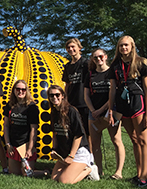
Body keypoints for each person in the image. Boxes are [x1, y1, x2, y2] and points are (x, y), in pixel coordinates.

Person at [108, 36, 147, 187]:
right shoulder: (115, 65)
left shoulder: (140, 62)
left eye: (126, 45)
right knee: (134, 140)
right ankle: (138, 174)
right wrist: (111, 109)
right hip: (122, 104)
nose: (123, 48)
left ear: (132, 46)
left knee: (143, 140)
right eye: (121, 46)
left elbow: (146, 87)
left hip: (138, 102)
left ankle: (144, 176)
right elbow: (112, 89)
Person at [84, 48, 125, 178]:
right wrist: (93, 111)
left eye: (100, 56)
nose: (98, 59)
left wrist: (101, 110)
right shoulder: (90, 75)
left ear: (106, 57)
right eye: (95, 58)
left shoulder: (112, 72)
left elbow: (113, 94)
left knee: (116, 140)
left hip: (111, 111)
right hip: (94, 113)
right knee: (95, 143)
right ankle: (99, 171)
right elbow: (86, 95)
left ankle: (118, 172)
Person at [48, 85, 99, 184]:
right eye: (51, 95)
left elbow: (78, 135)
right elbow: (55, 133)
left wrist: (71, 156)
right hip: (65, 152)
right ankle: (74, 169)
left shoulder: (71, 111)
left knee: (64, 181)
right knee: (54, 178)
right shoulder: (54, 112)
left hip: (78, 151)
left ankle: (89, 169)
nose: (54, 97)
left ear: (62, 95)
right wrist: (54, 149)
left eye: (57, 95)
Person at [3, 80, 45, 176]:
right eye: (18, 89)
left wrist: (30, 148)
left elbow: (34, 129)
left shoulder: (32, 107)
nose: (20, 91)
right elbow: (6, 126)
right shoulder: (9, 105)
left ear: (26, 91)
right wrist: (8, 144)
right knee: (13, 173)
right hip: (13, 145)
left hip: (25, 145)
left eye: (23, 89)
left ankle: (45, 172)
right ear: (14, 90)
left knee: (27, 174)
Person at [62, 38, 90, 141]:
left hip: (84, 102)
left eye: (73, 47)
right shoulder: (68, 66)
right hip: (72, 103)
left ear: (79, 48)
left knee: (88, 132)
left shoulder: (86, 63)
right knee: (75, 131)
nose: (71, 49)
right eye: (68, 48)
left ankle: (90, 155)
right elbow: (67, 84)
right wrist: (65, 99)